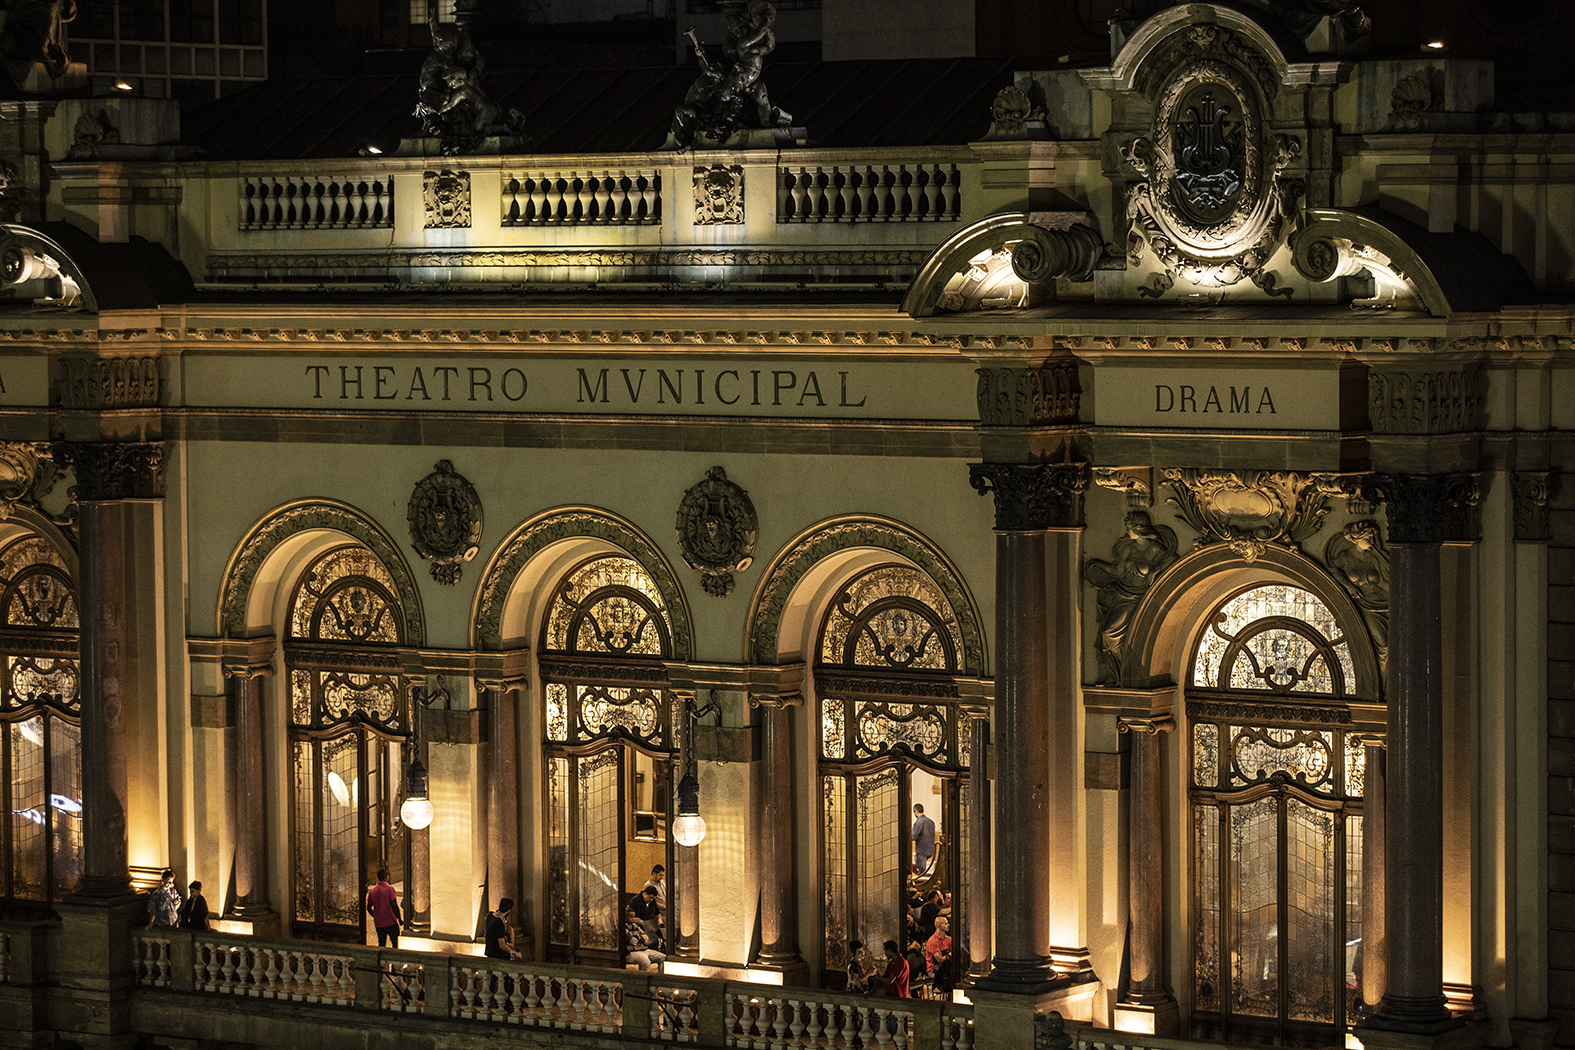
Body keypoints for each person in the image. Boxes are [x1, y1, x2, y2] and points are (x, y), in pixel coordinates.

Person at [366, 868, 401, 948]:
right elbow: (394, 905)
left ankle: (382, 960)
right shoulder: (390, 889)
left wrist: (375, 915)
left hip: (379, 923)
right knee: (395, 944)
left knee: (381, 944)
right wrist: (400, 918)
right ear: (386, 877)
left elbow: (368, 907)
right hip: (390, 921)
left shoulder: (372, 891)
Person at [624, 906, 666, 971]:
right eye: (631, 917)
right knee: (646, 962)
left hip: (643, 948)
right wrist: (641, 937)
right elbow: (633, 941)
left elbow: (646, 938)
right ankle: (645, 980)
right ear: (625, 917)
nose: (633, 919)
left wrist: (640, 938)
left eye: (634, 917)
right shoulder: (623, 928)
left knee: (663, 957)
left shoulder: (634, 925)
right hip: (632, 952)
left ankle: (660, 978)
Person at [911, 804, 936, 874]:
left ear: (916, 811)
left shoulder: (918, 822)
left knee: (922, 873)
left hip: (921, 851)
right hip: (930, 850)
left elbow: (913, 836)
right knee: (924, 870)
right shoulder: (931, 822)